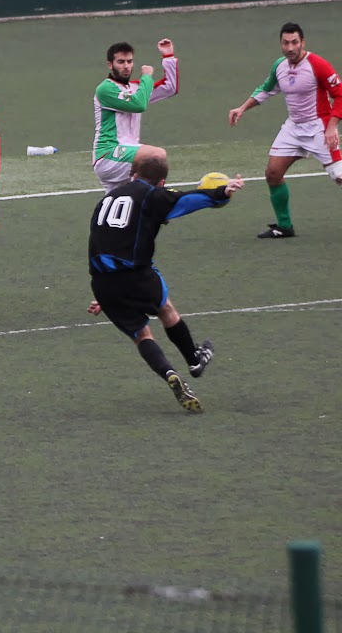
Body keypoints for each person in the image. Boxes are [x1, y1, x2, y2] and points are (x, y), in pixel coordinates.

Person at [87, 154, 243, 413]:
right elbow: (187, 200)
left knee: (141, 335)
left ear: (133, 174)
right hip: (136, 275)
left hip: (102, 280)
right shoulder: (153, 195)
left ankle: (169, 372)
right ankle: (194, 360)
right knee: (166, 310)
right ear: (161, 182)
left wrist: (106, 295)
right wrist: (221, 193)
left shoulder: (106, 199)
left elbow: (102, 240)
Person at [227, 21, 342, 238]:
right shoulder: (279, 66)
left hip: (319, 128)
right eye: (286, 43)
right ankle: (284, 226)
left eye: (294, 42)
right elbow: (267, 89)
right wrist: (242, 108)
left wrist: (332, 127)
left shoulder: (318, 65)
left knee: (339, 176)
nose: (290, 47)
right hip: (293, 129)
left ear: (303, 42)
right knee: (273, 173)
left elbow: (340, 95)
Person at [92, 38, 179, 193]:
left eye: (129, 61)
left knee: (117, 202)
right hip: (108, 154)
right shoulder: (105, 89)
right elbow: (138, 105)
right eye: (121, 62)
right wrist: (147, 77)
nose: (126, 66)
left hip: (129, 155)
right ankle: (158, 198)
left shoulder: (136, 88)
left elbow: (170, 88)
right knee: (156, 155)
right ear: (110, 65)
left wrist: (168, 57)